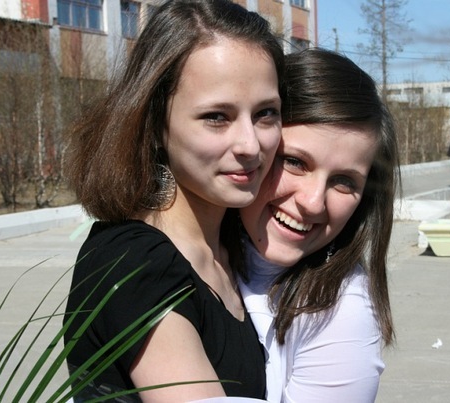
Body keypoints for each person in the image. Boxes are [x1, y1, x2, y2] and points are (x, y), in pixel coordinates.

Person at [62, 1, 284, 401]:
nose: (251, 145)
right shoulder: (134, 263)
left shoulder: (237, 250)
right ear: (154, 122)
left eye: (265, 113)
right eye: (217, 117)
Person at [238, 48, 399, 402]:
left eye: (344, 182)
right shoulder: (162, 252)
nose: (312, 202)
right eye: (294, 162)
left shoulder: (341, 311)